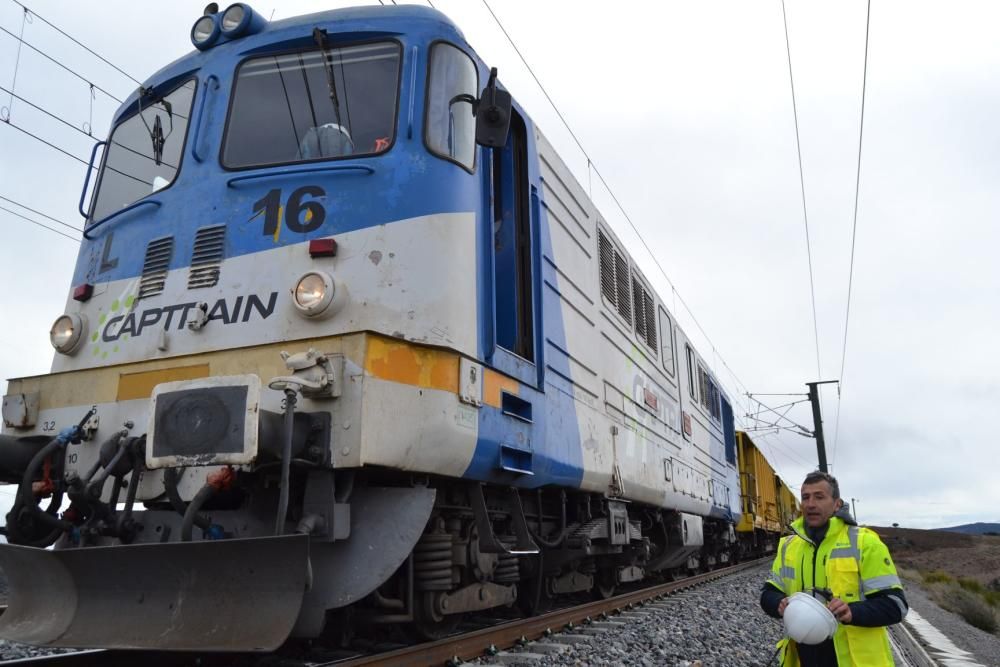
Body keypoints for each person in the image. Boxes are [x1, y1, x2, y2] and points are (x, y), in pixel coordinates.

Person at [760, 471, 907, 666]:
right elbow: (768, 593)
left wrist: (851, 612)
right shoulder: (788, 546)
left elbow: (896, 605)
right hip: (804, 658)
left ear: (837, 504)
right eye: (806, 497)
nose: (811, 503)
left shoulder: (865, 543)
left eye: (819, 497)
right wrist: (778, 603)